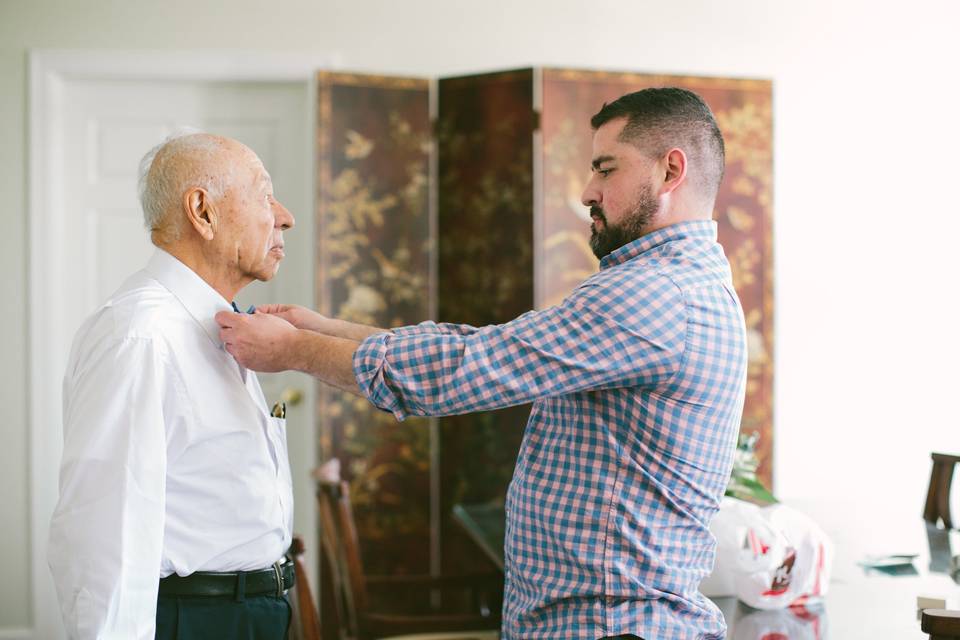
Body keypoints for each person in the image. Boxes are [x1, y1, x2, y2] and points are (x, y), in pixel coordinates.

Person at [217, 87, 748, 640]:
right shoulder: (675, 286)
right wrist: (325, 329)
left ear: (670, 172)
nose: (588, 190)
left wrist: (293, 351)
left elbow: (468, 367)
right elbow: (480, 344)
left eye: (605, 169)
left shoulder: (654, 294)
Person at [48, 131, 297, 639]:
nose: (284, 215)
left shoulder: (212, 325)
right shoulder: (140, 335)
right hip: (198, 622)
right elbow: (103, 537)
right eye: (264, 194)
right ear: (202, 212)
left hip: (247, 616)